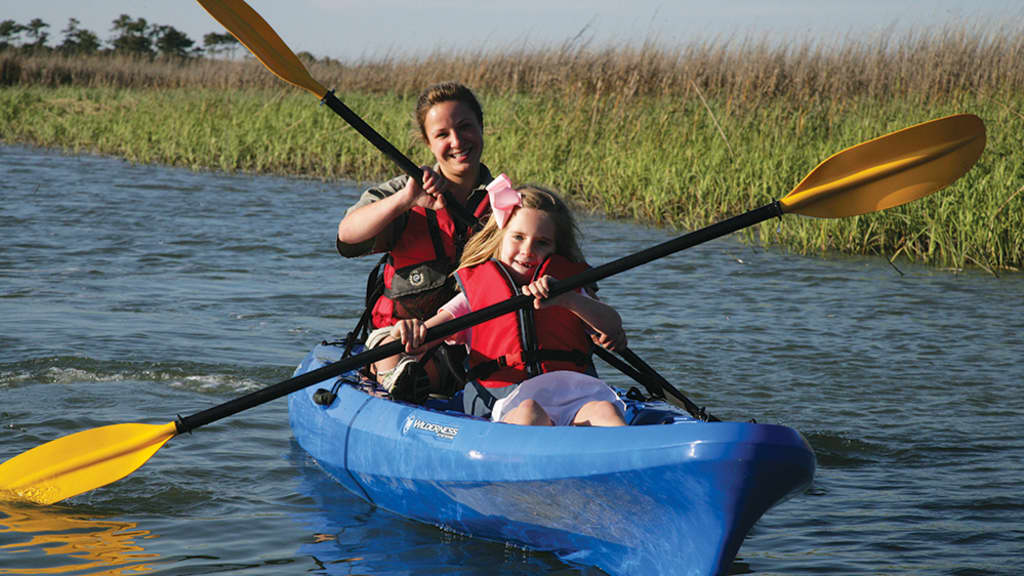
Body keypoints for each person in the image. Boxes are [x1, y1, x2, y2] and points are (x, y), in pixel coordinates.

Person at [385, 177, 628, 427]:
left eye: (542, 243)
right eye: (518, 237)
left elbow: (613, 327)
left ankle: (624, 460)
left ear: (556, 248)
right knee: (530, 411)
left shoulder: (568, 290)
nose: (528, 251)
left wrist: (567, 299)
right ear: (499, 238)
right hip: (507, 401)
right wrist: (409, 332)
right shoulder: (473, 296)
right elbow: (425, 338)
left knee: (605, 410)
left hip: (576, 396)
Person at [336, 81, 493, 402]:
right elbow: (346, 237)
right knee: (400, 358)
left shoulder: (509, 203)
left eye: (465, 127)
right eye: (442, 134)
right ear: (428, 142)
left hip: (477, 342)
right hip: (402, 338)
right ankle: (402, 382)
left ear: (481, 128)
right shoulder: (403, 193)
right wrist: (405, 200)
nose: (457, 141)